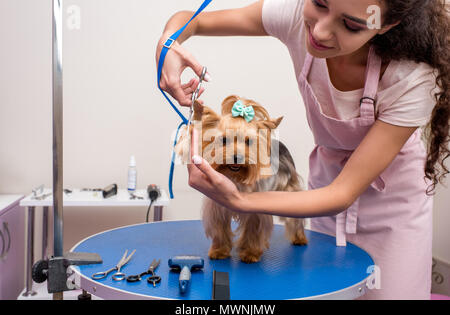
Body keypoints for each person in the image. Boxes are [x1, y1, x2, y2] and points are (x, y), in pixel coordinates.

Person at [156, 0, 449, 299]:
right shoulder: (296, 14)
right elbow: (192, 20)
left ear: (387, 24)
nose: (320, 31)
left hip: (393, 209)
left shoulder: (414, 76)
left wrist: (241, 201)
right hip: (320, 194)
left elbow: (343, 194)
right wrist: (169, 45)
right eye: (320, 3)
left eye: (351, 24)